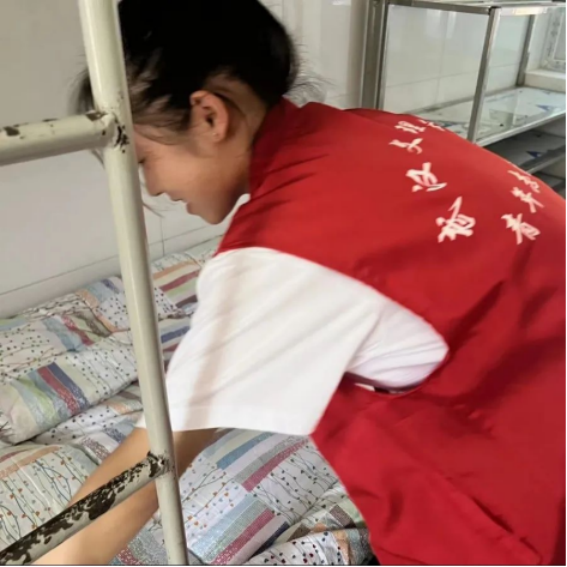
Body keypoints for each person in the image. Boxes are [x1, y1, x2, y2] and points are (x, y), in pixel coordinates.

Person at [38, 1, 566, 565]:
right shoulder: (372, 127)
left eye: (144, 161)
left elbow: (153, 460)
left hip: (528, 493)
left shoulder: (282, 255)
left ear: (210, 116)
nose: (152, 190)